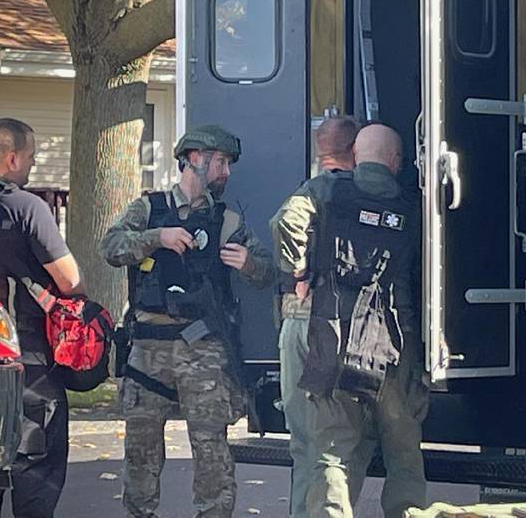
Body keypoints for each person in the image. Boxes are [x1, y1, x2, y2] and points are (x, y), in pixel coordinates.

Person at [101, 124, 275, 518]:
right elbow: (110, 246)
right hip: (147, 348)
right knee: (141, 447)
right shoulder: (149, 209)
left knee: (211, 446)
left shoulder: (227, 220)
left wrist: (249, 264)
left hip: (204, 349)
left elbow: (267, 271)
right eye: (220, 163)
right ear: (194, 160)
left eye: (228, 164)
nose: (226, 172)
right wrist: (156, 238)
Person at [299, 123, 428, 518]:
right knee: (403, 446)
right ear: (396, 161)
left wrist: (297, 275)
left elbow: (285, 224)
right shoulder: (415, 208)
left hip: (336, 337)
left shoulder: (326, 192)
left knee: (335, 448)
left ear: (355, 155)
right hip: (394, 344)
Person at [0, 118, 84, 518]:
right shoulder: (27, 207)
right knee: (36, 465)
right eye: (29, 157)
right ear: (12, 158)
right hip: (27, 358)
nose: (31, 166)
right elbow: (69, 280)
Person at [270, 117, 359, 518]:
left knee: (303, 439)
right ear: (354, 151)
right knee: (336, 439)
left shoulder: (313, 189)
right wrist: (302, 271)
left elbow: (285, 222)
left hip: (298, 324)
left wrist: (297, 273)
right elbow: (286, 220)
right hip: (338, 325)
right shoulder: (355, 192)